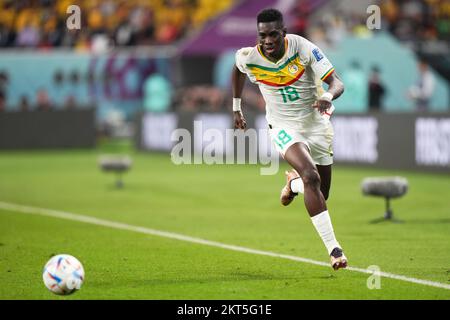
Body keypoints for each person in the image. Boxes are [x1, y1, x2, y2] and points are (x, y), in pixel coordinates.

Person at [231, 8, 347, 270]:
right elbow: (236, 70)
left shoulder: (304, 48)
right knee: (311, 176)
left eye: (273, 34)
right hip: (282, 125)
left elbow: (337, 83)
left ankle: (292, 184)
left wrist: (327, 97)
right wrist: (236, 107)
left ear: (283, 33)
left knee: (320, 192)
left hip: (316, 124)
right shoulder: (249, 56)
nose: (268, 41)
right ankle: (334, 250)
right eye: (263, 36)